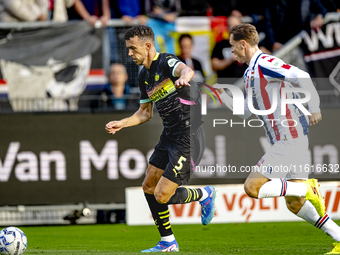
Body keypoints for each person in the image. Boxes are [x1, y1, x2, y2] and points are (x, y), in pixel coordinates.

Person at [215, 23, 340, 254]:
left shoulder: (265, 63)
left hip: (289, 138)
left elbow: (301, 75)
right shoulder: (249, 72)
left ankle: (307, 189)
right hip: (286, 139)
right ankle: (339, 237)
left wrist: (314, 107)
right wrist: (224, 97)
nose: (231, 52)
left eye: (233, 47)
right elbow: (246, 112)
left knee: (252, 188)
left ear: (244, 44)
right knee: (294, 204)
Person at [105, 25, 216, 252]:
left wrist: (184, 78)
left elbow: (186, 70)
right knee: (148, 185)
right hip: (169, 136)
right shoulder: (144, 75)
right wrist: (122, 124)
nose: (129, 54)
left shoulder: (166, 62)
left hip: (188, 137)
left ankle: (205, 194)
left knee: (162, 195)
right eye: (127, 49)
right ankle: (168, 242)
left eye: (132, 49)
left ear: (148, 46)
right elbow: (145, 113)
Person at [211, 15, 247, 84]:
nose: (232, 28)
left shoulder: (248, 44)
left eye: (235, 25)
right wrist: (230, 60)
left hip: (244, 86)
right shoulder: (220, 45)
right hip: (226, 86)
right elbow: (214, 65)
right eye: (229, 25)